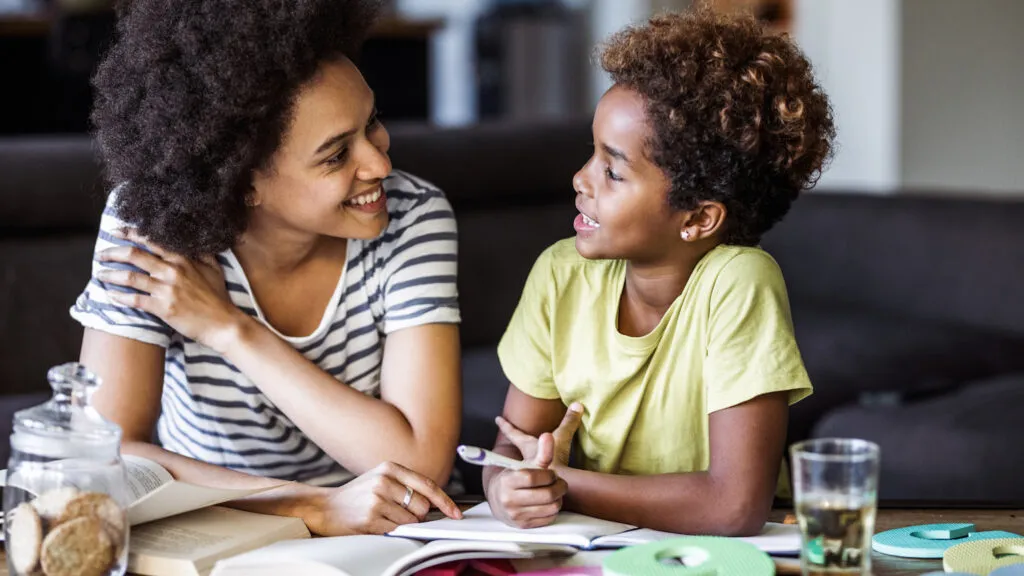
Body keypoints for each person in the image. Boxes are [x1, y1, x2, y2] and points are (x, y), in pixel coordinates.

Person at [71, 0, 464, 536]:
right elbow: (105, 448)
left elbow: (420, 463)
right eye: (334, 155)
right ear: (245, 182)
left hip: (376, 532)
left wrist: (230, 330)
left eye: (371, 122)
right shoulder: (150, 228)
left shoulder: (414, 217)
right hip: (211, 524)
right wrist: (309, 506)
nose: (380, 164)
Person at [484, 8, 835, 536]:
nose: (581, 179)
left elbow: (734, 507)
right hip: (599, 550)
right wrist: (505, 485)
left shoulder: (739, 282)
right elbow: (513, 445)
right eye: (590, 154)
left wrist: (565, 484)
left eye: (613, 170)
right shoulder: (560, 274)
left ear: (697, 218)